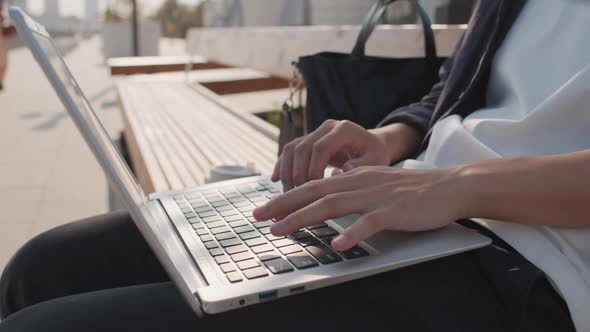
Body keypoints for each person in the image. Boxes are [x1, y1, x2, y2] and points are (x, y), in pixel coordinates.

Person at [1, 0, 589, 331]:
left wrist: (458, 184)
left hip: (535, 271)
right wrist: (386, 140)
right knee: (41, 267)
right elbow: (451, 92)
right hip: (414, 202)